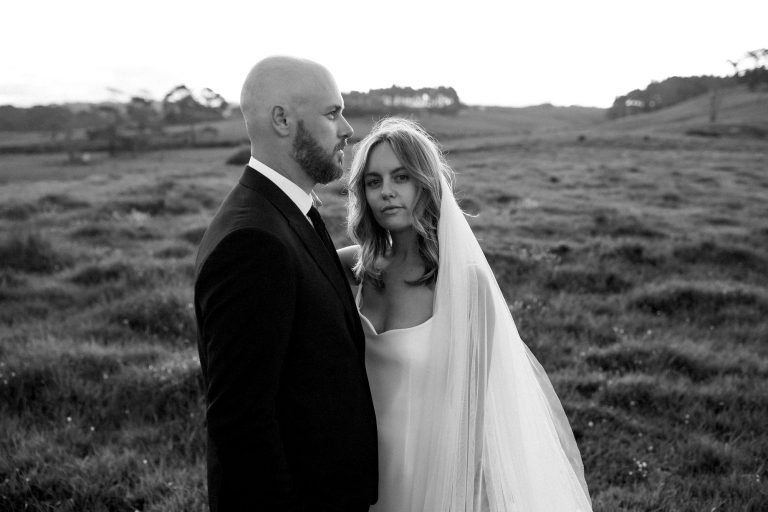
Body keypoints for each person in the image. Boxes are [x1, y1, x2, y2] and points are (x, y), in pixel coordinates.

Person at [338, 118, 593, 511]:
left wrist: (459, 490)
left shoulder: (463, 282)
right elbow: (295, 261)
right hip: (362, 458)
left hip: (428, 467)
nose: (387, 192)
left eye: (400, 177)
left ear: (425, 181)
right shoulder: (363, 266)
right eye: (374, 182)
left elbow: (474, 410)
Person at [194, 56, 378, 512]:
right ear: (282, 119)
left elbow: (300, 282)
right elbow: (241, 424)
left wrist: (387, 257)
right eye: (333, 113)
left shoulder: (280, 209)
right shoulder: (254, 243)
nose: (348, 129)